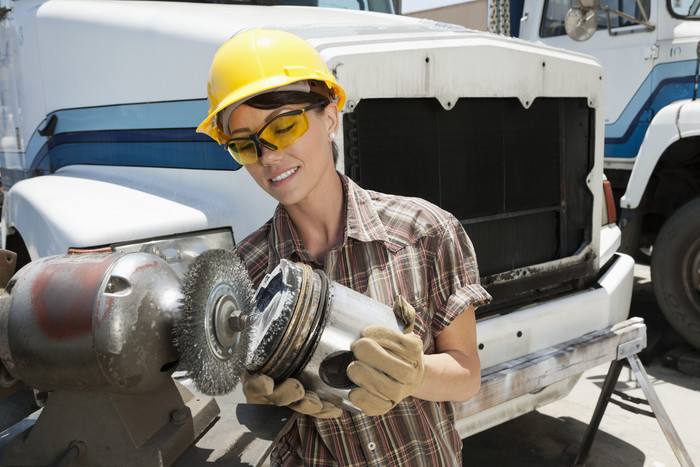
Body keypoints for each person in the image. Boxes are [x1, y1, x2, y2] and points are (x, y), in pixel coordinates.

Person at [197, 28, 492, 466]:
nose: (268, 156)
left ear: (330, 117)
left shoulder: (423, 232)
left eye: (283, 126)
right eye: (244, 144)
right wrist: (266, 400)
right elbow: (257, 404)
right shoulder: (246, 274)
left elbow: (466, 375)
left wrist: (413, 375)